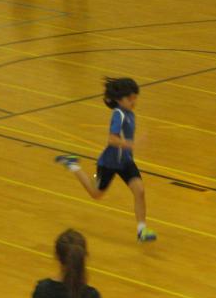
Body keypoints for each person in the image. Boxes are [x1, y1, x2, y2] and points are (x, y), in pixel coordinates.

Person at [55, 78, 157, 242]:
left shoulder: (130, 114)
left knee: (139, 191)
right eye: (130, 98)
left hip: (125, 162)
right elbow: (112, 139)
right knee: (96, 194)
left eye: (135, 98)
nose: (133, 101)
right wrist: (131, 144)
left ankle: (141, 231)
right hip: (109, 163)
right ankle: (73, 165)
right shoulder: (118, 114)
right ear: (119, 100)